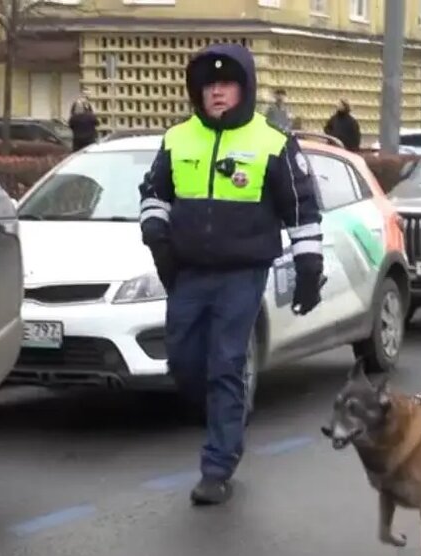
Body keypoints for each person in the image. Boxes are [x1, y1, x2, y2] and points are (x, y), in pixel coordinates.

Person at [138, 43, 324, 506]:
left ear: (244, 88)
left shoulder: (273, 142)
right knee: (182, 360)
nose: (216, 93)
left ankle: (218, 466)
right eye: (208, 85)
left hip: (243, 272)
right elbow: (154, 196)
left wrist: (308, 269)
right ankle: (228, 414)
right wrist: (158, 240)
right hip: (188, 272)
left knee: (225, 362)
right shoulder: (177, 138)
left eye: (226, 84)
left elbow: (302, 210)